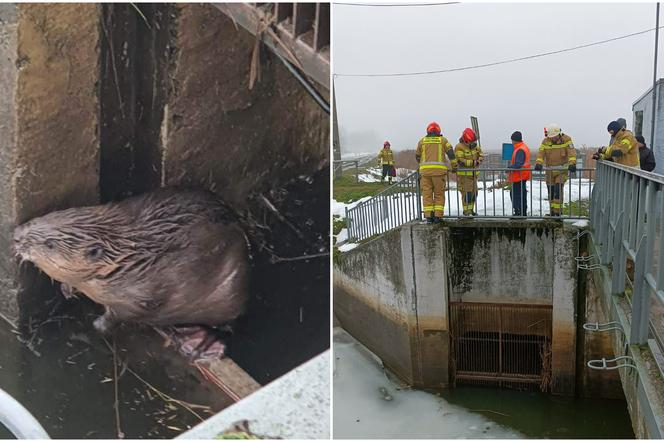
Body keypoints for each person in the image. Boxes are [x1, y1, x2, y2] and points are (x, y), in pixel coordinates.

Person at [416, 122, 457, 223]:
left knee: (427, 194)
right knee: (439, 194)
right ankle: (438, 217)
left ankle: (429, 217)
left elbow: (417, 156)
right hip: (439, 173)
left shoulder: (422, 141)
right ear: (439, 131)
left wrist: (422, 165)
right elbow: (451, 153)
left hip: (425, 173)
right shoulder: (443, 140)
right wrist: (454, 166)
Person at [534, 124, 577, 216]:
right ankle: (552, 212)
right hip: (549, 172)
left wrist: (572, 163)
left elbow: (572, 153)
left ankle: (558, 213)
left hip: (561, 171)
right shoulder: (545, 141)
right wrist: (538, 163)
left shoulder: (567, 140)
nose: (552, 138)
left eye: (554, 136)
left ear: (559, 134)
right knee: (551, 191)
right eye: (551, 136)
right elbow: (541, 153)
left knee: (558, 190)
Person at [454, 128, 484, 216]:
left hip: (474, 175)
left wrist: (480, 160)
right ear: (465, 140)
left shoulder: (475, 146)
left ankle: (471, 210)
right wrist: (473, 162)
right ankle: (466, 211)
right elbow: (460, 160)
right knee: (467, 194)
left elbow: (481, 154)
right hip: (465, 176)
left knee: (474, 194)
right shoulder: (459, 147)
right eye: (470, 142)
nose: (472, 143)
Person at [507, 131, 532, 217]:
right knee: (521, 194)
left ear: (514, 140)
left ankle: (519, 212)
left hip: (519, 176)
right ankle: (522, 212)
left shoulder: (520, 149)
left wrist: (509, 168)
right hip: (522, 176)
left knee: (516, 195)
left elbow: (518, 164)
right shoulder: (523, 147)